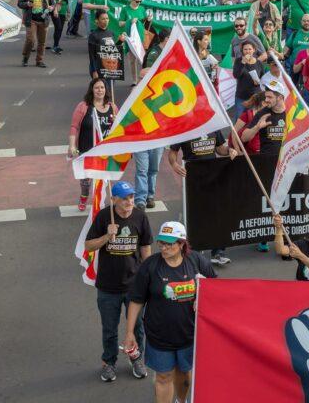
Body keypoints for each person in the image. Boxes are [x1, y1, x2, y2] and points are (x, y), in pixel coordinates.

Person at [124, 221, 215, 401]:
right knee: (163, 377)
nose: (164, 248)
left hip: (189, 335)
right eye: (161, 243)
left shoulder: (196, 261)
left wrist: (201, 298)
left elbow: (216, 287)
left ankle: (181, 400)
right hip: (159, 335)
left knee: (184, 375)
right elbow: (136, 300)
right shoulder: (150, 266)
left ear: (181, 244)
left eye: (169, 243)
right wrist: (129, 332)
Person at [83, 181, 152, 383]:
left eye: (131, 197)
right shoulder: (104, 216)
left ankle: (136, 357)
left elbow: (146, 247)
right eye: (124, 198)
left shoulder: (140, 216)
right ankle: (109, 362)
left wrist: (148, 277)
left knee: (138, 326)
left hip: (134, 286)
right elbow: (88, 245)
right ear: (113, 200)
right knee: (109, 328)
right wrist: (107, 236)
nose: (129, 201)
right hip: (108, 287)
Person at [69, 78, 118, 209]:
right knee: (86, 179)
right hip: (87, 148)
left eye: (102, 87)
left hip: (105, 150)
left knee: (104, 177)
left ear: (106, 90)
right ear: (92, 89)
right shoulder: (83, 106)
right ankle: (84, 196)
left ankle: (101, 202)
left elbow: (118, 128)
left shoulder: (112, 107)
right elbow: (74, 126)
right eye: (97, 87)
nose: (99, 90)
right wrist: (72, 145)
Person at [241, 80, 287, 157]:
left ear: (280, 97)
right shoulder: (262, 114)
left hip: (285, 161)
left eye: (269, 97)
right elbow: (244, 138)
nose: (266, 100)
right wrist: (257, 127)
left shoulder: (291, 112)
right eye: (266, 97)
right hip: (267, 161)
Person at [18, 0, 54, 68]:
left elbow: (53, 4)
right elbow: (19, 3)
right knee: (31, 40)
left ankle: (39, 60)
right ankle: (25, 57)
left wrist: (51, 8)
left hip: (43, 20)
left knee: (42, 42)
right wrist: (27, 4)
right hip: (31, 20)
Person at [233, 42, 264, 116]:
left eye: (250, 49)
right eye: (245, 49)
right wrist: (243, 62)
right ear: (242, 51)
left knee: (253, 118)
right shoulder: (238, 61)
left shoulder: (259, 63)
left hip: (255, 96)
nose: (247, 51)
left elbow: (263, 78)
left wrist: (259, 82)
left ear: (254, 50)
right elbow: (236, 75)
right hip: (242, 96)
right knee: (239, 118)